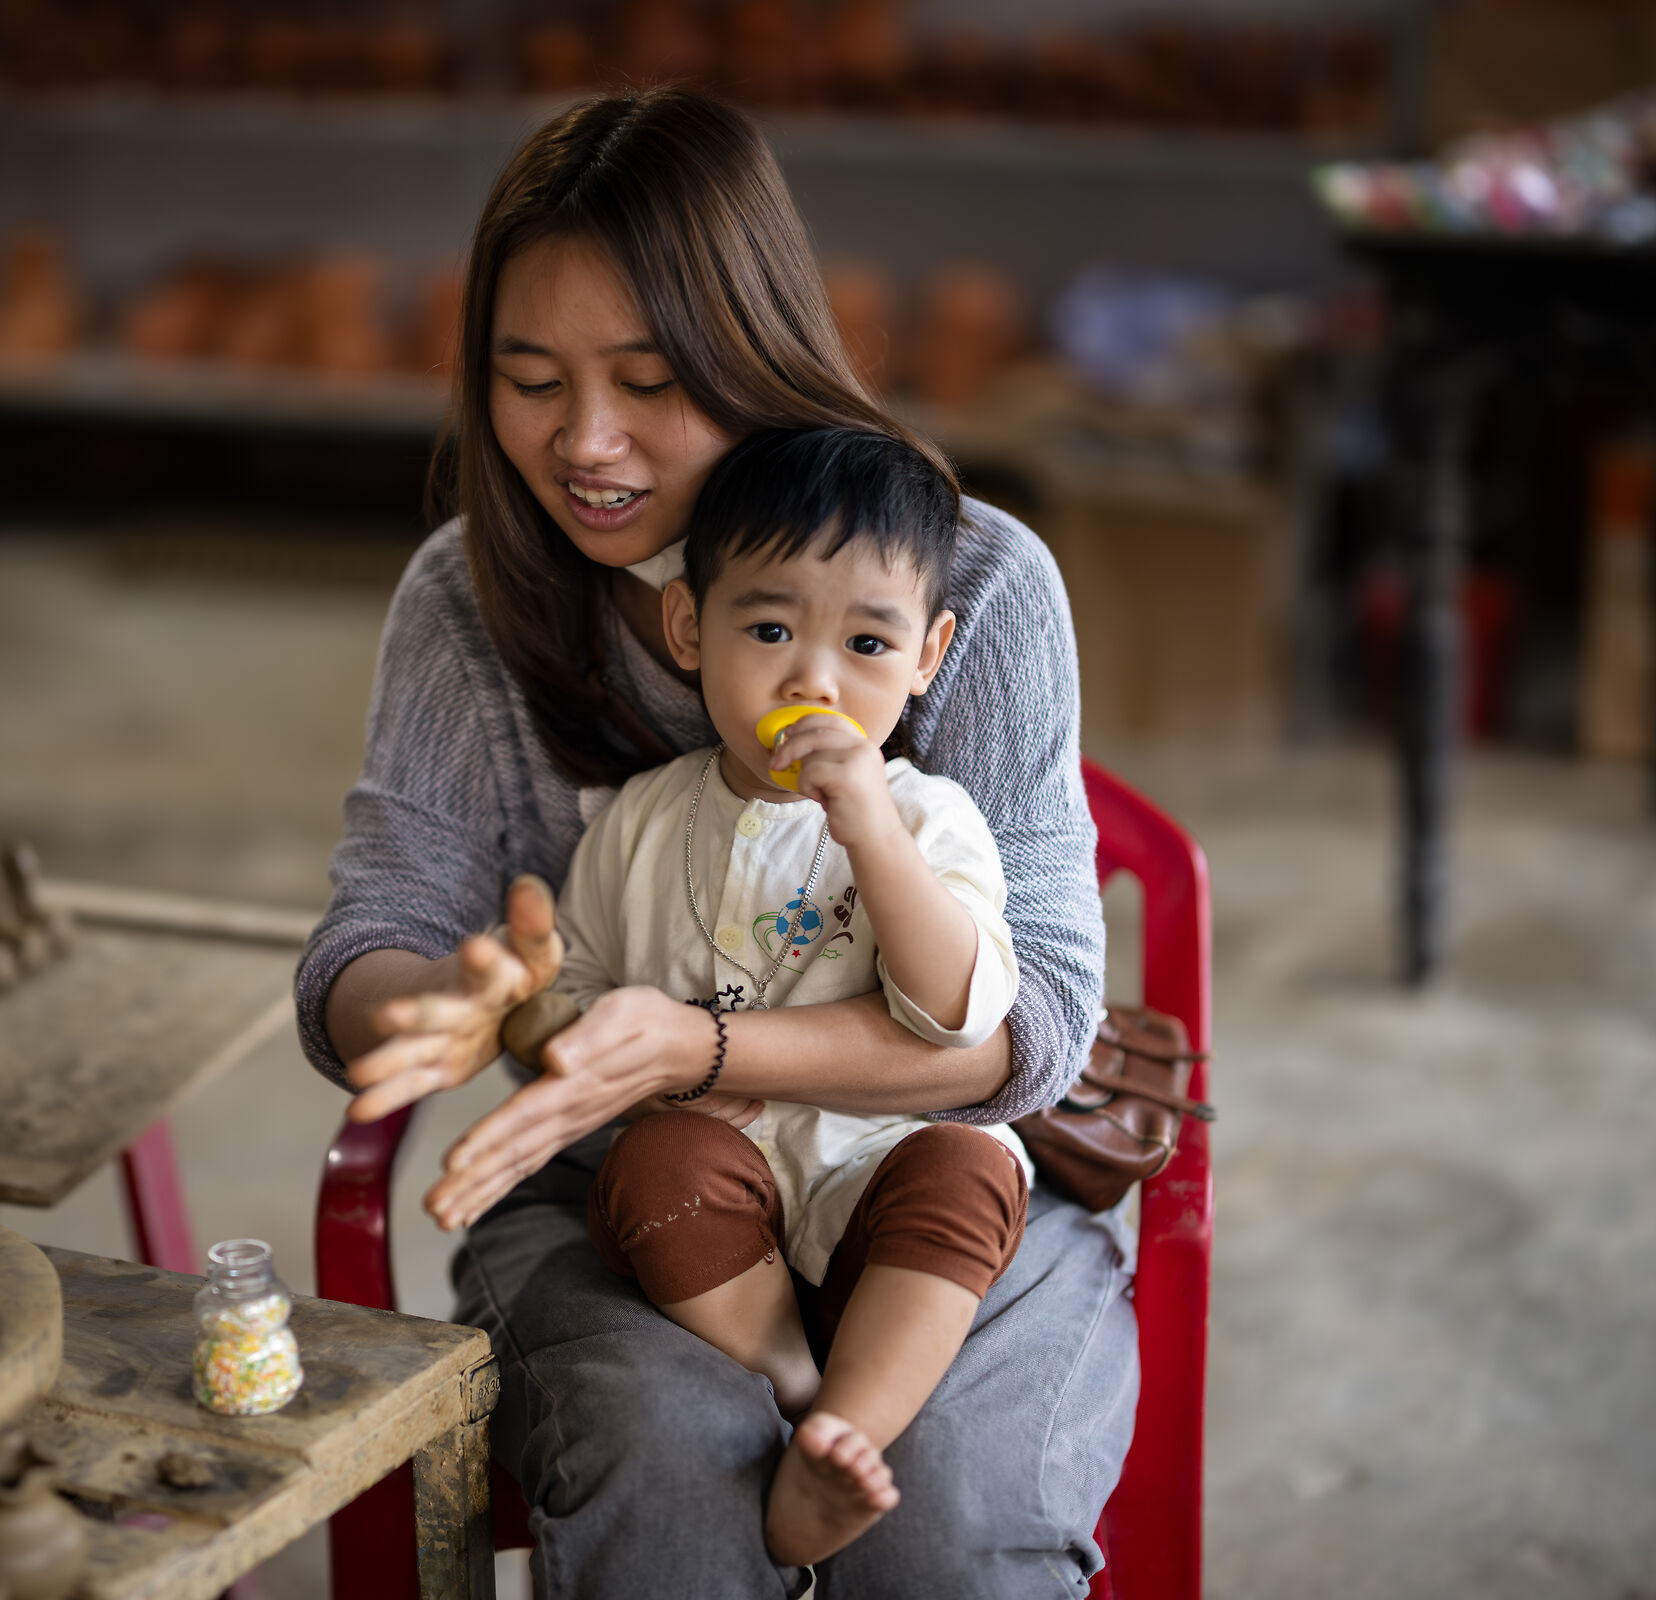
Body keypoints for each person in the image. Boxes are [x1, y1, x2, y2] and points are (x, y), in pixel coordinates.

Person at [300, 85, 1134, 1598]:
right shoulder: (463, 601)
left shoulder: (978, 582)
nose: (589, 442)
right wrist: (436, 1004)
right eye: (529, 378)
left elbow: (1026, 1041)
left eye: (649, 378)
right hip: (629, 1183)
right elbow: (380, 933)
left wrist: (692, 1045)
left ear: (755, 353)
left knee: (949, 1517)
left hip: (941, 1176)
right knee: (672, 1473)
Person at [558, 425, 1036, 1569]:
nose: (812, 679)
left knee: (971, 1168)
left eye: (867, 641)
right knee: (649, 1171)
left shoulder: (929, 820)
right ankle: (796, 1391)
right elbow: (576, 989)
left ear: (930, 653)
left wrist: (868, 827)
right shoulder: (639, 819)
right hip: (719, 1213)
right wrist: (559, 1028)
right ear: (689, 628)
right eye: (768, 628)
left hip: (882, 1165)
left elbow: (957, 1012)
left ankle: (847, 1432)